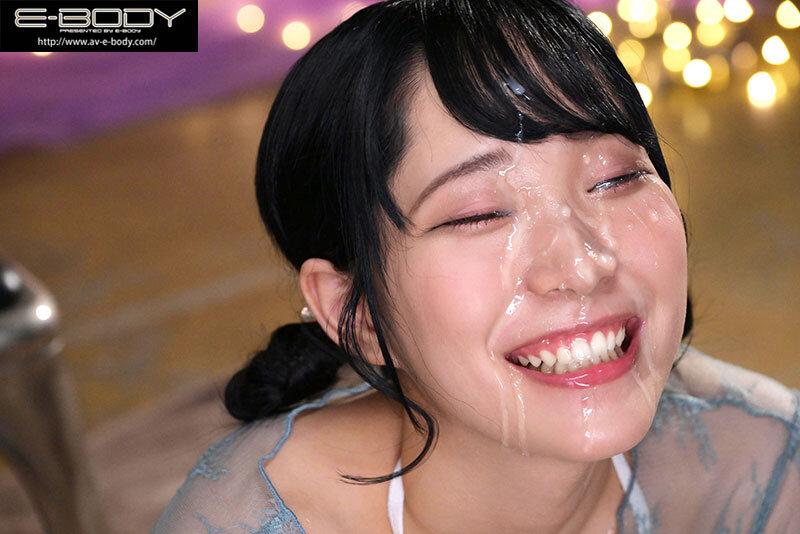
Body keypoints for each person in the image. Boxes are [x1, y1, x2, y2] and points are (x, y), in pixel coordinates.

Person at [152, 0, 800, 532]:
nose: (581, 265)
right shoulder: (245, 522)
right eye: (479, 214)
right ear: (357, 312)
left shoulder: (763, 463)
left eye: (615, 177)